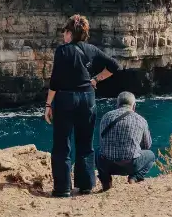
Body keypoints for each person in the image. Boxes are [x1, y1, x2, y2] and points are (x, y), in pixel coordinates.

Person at [43, 15, 120, 198]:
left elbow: (55, 81)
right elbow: (114, 65)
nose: (64, 36)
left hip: (65, 99)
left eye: (65, 32)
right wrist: (96, 79)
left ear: (69, 33)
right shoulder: (91, 49)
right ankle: (86, 185)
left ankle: (62, 189)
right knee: (85, 142)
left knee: (62, 144)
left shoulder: (62, 51)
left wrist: (48, 104)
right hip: (87, 98)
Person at [96, 91, 156, 190]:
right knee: (151, 155)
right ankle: (134, 178)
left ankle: (106, 184)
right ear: (134, 106)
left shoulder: (105, 117)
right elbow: (147, 145)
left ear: (117, 104)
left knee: (98, 152)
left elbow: (102, 142)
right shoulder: (141, 120)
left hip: (107, 164)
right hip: (131, 165)